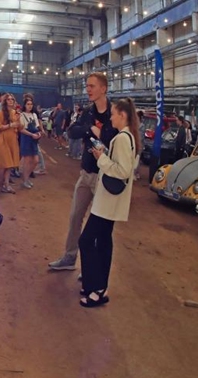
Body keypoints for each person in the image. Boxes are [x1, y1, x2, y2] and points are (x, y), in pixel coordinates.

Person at [49, 72, 118, 271]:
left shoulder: (113, 113)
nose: (87, 89)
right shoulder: (88, 112)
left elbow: (112, 138)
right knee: (75, 217)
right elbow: (72, 131)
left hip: (104, 177)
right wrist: (90, 130)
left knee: (98, 226)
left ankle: (91, 269)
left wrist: (99, 133)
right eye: (86, 86)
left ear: (103, 88)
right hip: (86, 173)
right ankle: (69, 258)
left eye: (92, 86)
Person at [79, 98, 140, 307]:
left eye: (114, 114)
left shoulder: (123, 138)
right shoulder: (130, 137)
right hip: (112, 201)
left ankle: (94, 286)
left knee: (87, 241)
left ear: (122, 115)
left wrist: (101, 158)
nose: (111, 117)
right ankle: (97, 286)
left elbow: (122, 171)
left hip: (108, 201)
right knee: (103, 242)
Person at [0, 94, 21, 194]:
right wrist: (10, 125)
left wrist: (18, 120)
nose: (10, 101)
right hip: (2, 141)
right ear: (5, 102)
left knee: (9, 165)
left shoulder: (15, 113)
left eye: (12, 99)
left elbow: (19, 127)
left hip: (13, 141)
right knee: (2, 165)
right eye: (8, 99)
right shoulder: (0, 113)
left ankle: (7, 185)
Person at [19, 96, 43, 189]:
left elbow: (36, 127)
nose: (30, 106)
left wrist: (39, 133)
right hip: (26, 139)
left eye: (31, 104)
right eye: (28, 104)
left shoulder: (34, 115)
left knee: (36, 160)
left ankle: (26, 177)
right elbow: (21, 129)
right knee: (27, 161)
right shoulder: (21, 115)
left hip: (34, 140)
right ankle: (25, 180)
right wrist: (31, 135)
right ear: (24, 105)